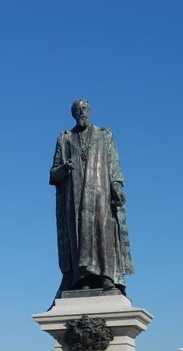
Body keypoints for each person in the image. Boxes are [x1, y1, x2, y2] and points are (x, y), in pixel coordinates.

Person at [49, 99, 134, 298]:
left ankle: (107, 277)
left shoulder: (104, 135)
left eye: (85, 109)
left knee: (103, 231)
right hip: (75, 198)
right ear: (73, 113)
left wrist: (115, 187)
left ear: (90, 111)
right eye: (77, 110)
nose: (82, 112)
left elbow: (114, 165)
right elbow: (53, 174)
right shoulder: (65, 139)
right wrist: (64, 168)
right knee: (79, 236)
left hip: (100, 194)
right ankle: (83, 278)